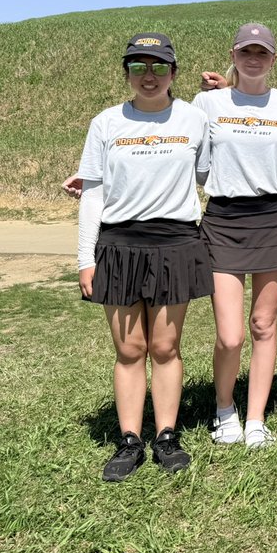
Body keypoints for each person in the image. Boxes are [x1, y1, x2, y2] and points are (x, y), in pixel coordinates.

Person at [74, 33, 212, 481]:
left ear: (173, 72)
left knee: (165, 346)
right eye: (138, 67)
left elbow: (209, 175)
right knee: (130, 348)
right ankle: (130, 440)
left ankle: (167, 437)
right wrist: (84, 258)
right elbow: (92, 195)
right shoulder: (106, 123)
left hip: (175, 241)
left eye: (157, 67)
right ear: (126, 73)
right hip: (118, 244)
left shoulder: (194, 119)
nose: (148, 77)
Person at [192, 23, 277, 450]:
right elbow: (192, 156)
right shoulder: (208, 101)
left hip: (274, 217)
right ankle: (224, 409)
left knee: (262, 324)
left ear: (274, 59)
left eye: (262, 52)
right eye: (246, 52)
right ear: (234, 55)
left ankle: (255, 417)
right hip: (223, 218)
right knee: (230, 334)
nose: (253, 59)